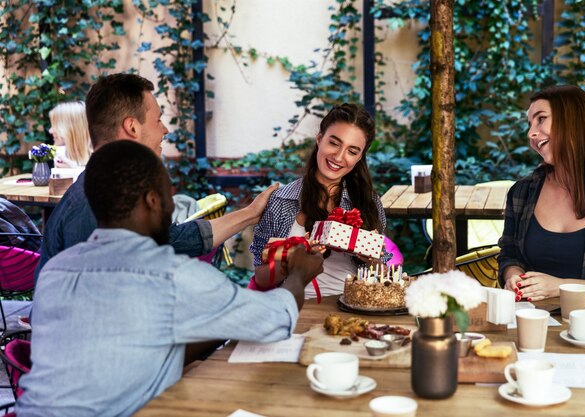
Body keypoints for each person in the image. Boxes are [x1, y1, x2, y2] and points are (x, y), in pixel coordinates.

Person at [16, 140, 324, 417]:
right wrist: (299, 272)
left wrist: (220, 322)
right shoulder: (172, 275)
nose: (170, 207)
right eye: (169, 195)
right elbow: (278, 318)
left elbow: (125, 353)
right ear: (153, 200)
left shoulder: (55, 272)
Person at [35, 73, 278, 283]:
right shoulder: (94, 205)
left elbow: (175, 239)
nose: (165, 130)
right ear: (132, 127)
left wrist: (250, 213)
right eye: (158, 120)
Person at [498, 85, 585, 313]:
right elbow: (509, 254)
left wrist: (560, 287)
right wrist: (514, 275)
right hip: (532, 323)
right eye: (530, 124)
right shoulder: (522, 192)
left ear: (573, 121)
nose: (531, 134)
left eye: (541, 119)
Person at [249, 103, 388, 298]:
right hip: (294, 309)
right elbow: (261, 278)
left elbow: (383, 278)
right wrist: (294, 257)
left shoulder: (369, 202)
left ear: (360, 157)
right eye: (334, 143)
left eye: (352, 151)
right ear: (319, 139)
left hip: (352, 309)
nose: (339, 157)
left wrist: (371, 259)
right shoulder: (281, 200)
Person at [48, 101, 92, 168]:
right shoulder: (61, 156)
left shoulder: (101, 159)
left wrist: (74, 169)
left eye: (55, 125)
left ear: (71, 128)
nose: (50, 131)